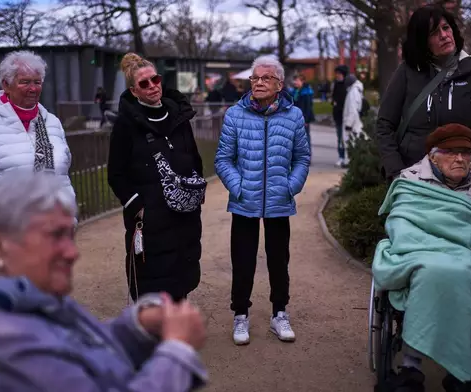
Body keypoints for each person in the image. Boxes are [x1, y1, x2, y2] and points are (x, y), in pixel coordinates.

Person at [0, 172, 208, 391]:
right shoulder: (1, 346)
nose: (73, 253)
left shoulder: (26, 301)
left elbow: (84, 351)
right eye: (55, 235)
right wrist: (177, 353)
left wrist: (138, 325)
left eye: (70, 235)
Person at [373, 124, 471, 392]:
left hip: (467, 257)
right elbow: (401, 226)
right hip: (421, 253)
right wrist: (428, 247)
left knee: (459, 273)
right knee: (429, 271)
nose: (460, 159)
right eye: (451, 152)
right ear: (432, 155)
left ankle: (459, 373)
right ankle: (411, 367)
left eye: (466, 153)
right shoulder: (409, 180)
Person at [215, 55, 311, 346]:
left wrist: (290, 187)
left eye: (265, 78)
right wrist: (239, 187)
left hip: (279, 201)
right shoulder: (235, 114)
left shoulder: (293, 116)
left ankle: (279, 313)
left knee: (279, 260)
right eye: (254, 78)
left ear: (279, 84)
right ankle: (240, 314)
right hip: (245, 200)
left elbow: (302, 157)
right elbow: (223, 159)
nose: (257, 82)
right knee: (242, 259)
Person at [108, 53, 205, 303]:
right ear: (134, 90)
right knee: (152, 276)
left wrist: (195, 192)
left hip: (183, 213)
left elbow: (193, 157)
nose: (152, 86)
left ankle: (177, 325)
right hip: (149, 217)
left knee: (182, 272)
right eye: (144, 83)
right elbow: (116, 173)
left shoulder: (178, 116)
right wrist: (136, 204)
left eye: (155, 79)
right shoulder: (126, 124)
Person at [376, 4, 471, 193]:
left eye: (446, 28)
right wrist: (396, 173)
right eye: (434, 33)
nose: (444, 36)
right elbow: (384, 125)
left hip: (461, 181)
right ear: (422, 41)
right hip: (413, 180)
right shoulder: (406, 73)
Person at [0, 50, 75, 202]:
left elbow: (62, 174)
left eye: (37, 82)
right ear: (6, 85)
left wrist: (69, 215)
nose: (33, 89)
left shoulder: (52, 123)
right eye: (25, 82)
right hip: (5, 224)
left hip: (53, 222)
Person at [290, 74, 315, 150]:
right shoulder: (295, 91)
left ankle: (307, 156)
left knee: (305, 137)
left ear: (302, 81)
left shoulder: (306, 92)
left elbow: (308, 107)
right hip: (295, 118)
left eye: (297, 80)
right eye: (295, 80)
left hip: (304, 118)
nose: (295, 82)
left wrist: (306, 120)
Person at [343, 73, 365, 157]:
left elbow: (352, 110)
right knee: (354, 142)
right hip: (355, 121)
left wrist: (348, 124)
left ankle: (350, 161)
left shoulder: (353, 92)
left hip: (352, 123)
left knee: (351, 143)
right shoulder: (357, 91)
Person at [332, 65, 349, 167]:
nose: (337, 76)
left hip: (345, 115)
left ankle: (346, 157)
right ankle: (341, 156)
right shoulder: (336, 84)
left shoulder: (346, 86)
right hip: (338, 115)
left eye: (338, 74)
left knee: (345, 138)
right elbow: (334, 97)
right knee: (339, 138)